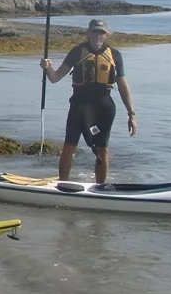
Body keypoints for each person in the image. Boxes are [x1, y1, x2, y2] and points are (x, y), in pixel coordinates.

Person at [41, 18, 138, 183]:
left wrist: (132, 114)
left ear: (107, 35)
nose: (97, 35)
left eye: (101, 32)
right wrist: (47, 67)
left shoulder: (115, 55)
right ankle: (62, 183)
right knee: (69, 147)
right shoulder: (77, 51)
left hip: (103, 108)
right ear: (88, 33)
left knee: (102, 149)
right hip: (79, 106)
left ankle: (100, 188)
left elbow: (122, 85)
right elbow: (55, 78)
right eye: (94, 31)